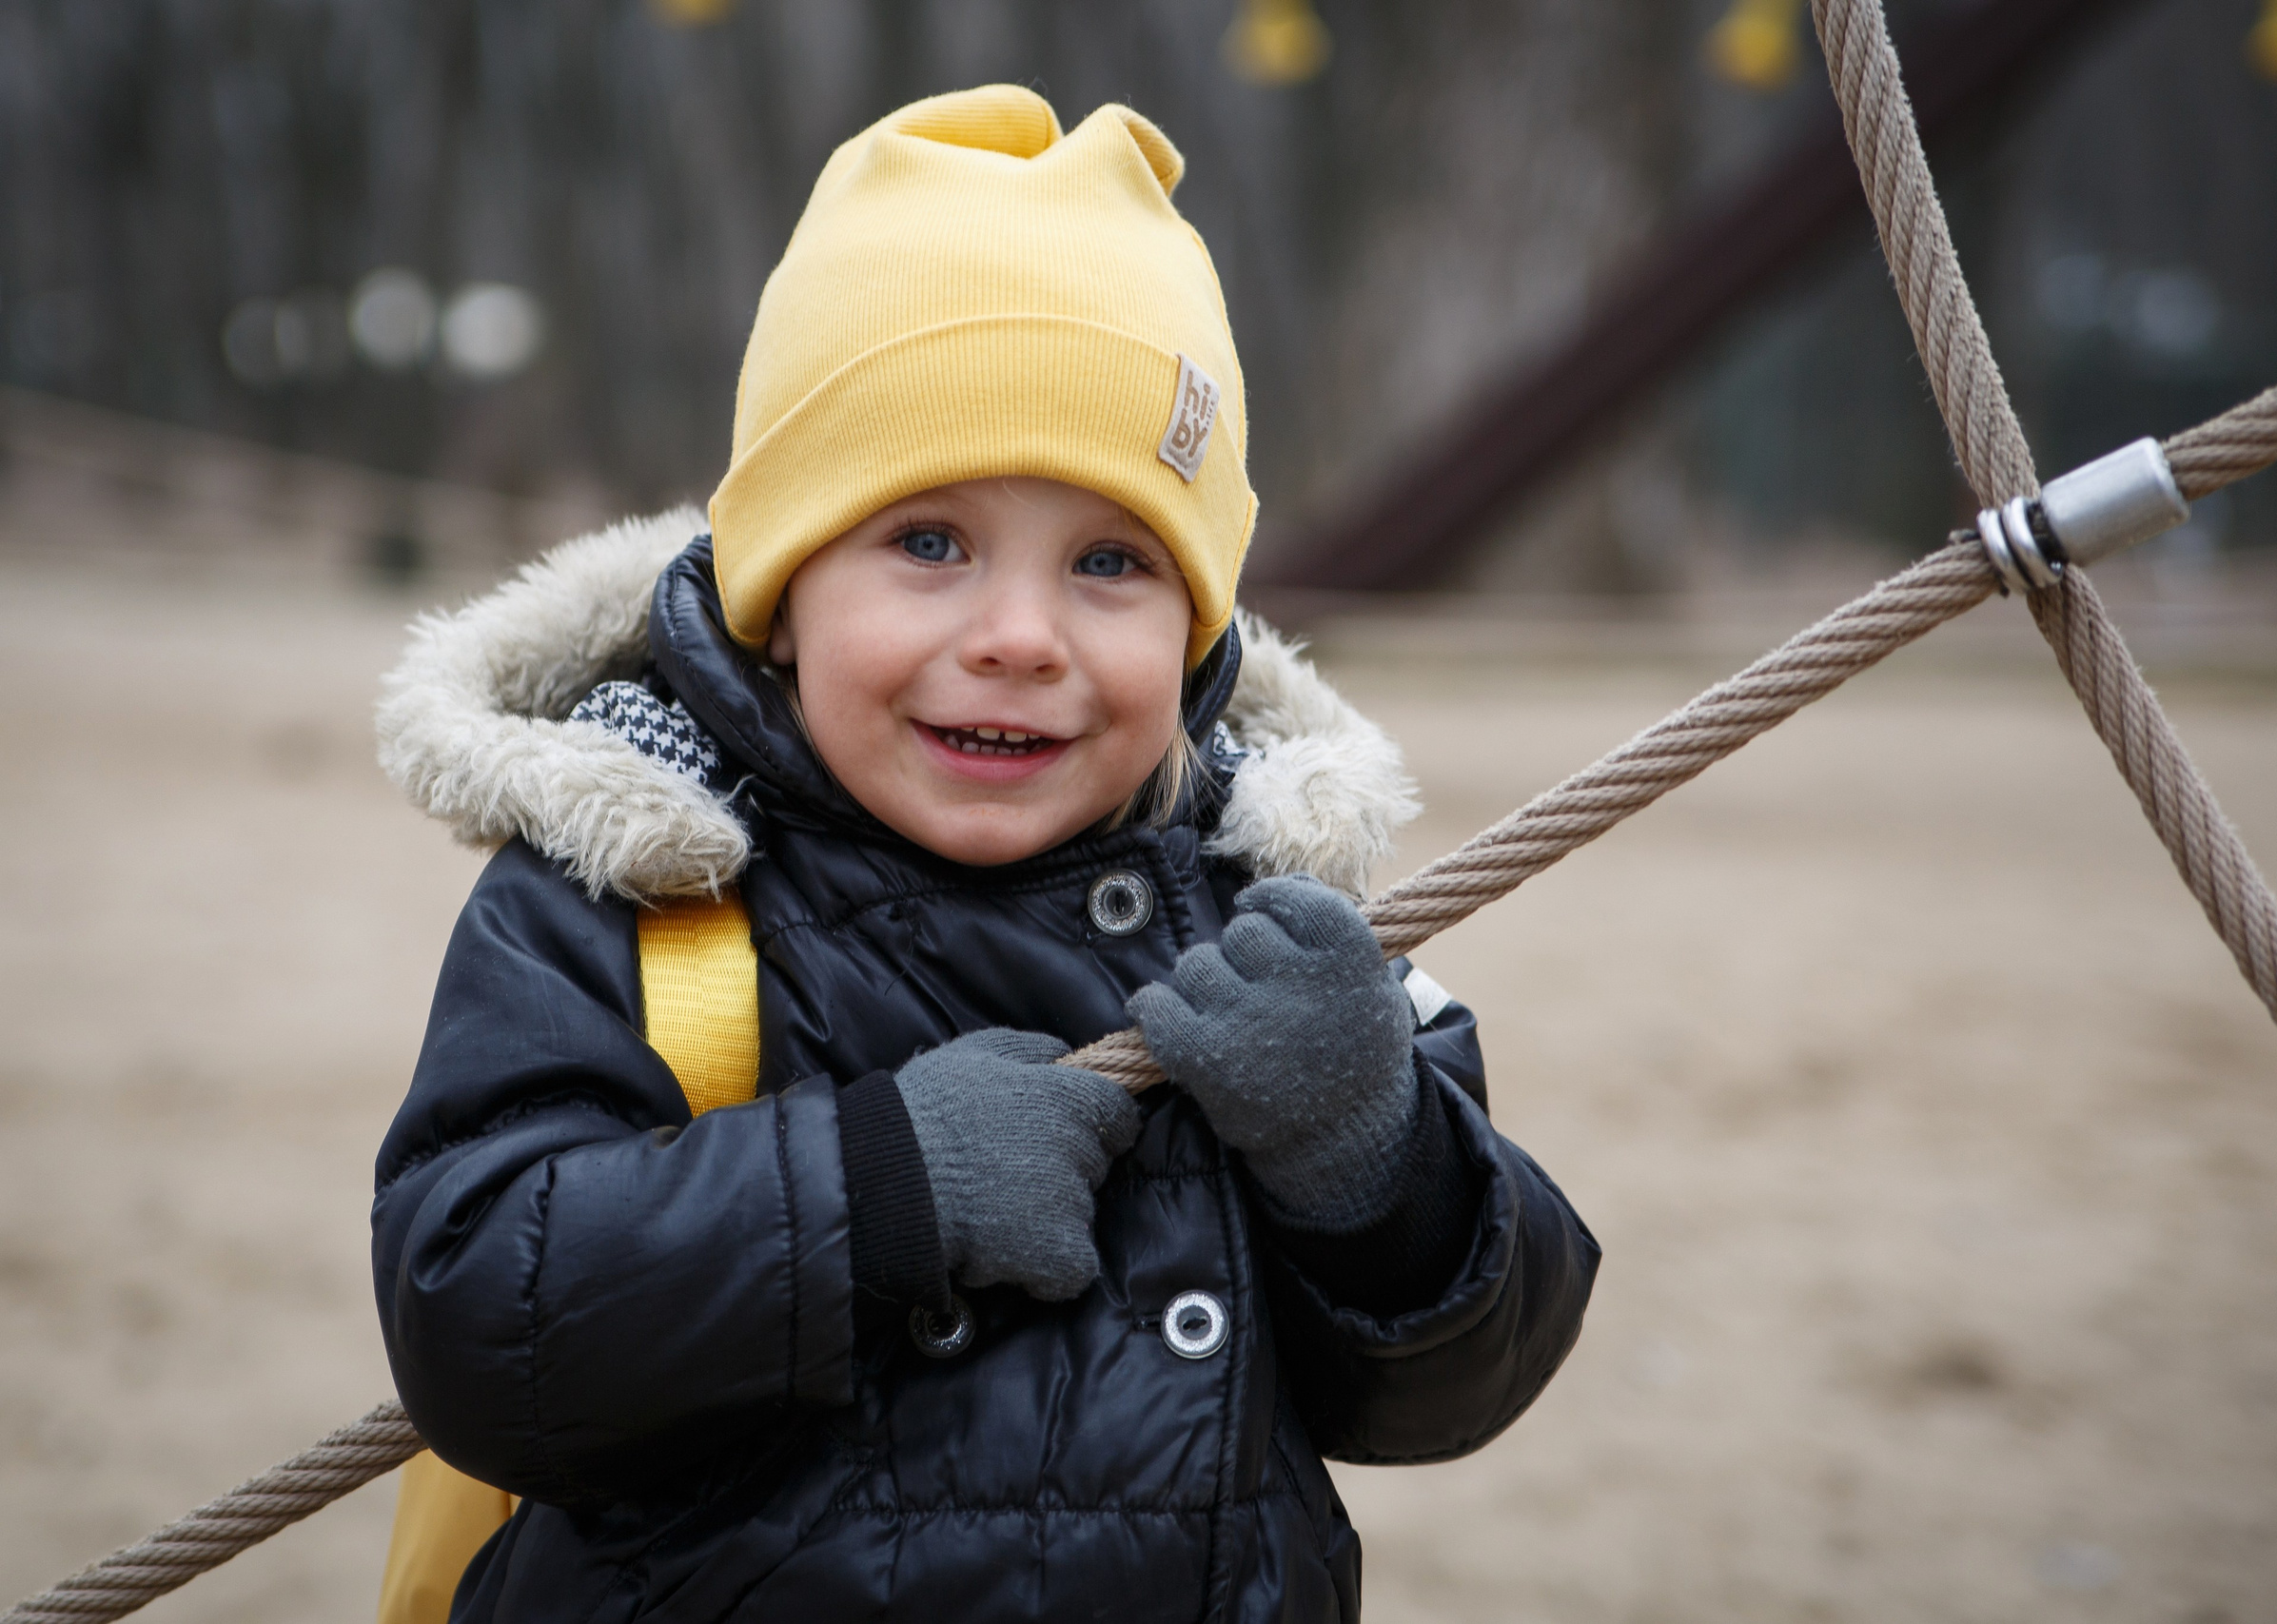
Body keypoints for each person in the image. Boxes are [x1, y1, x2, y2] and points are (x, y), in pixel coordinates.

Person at [370, 85, 1599, 1623]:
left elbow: (1459, 1383)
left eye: (1111, 562)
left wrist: (1378, 1159)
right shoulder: (639, 899)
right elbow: (478, 1311)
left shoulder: (1261, 900)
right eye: (928, 542)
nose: (1019, 638)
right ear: (781, 585)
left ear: (1202, 618)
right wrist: (877, 1193)